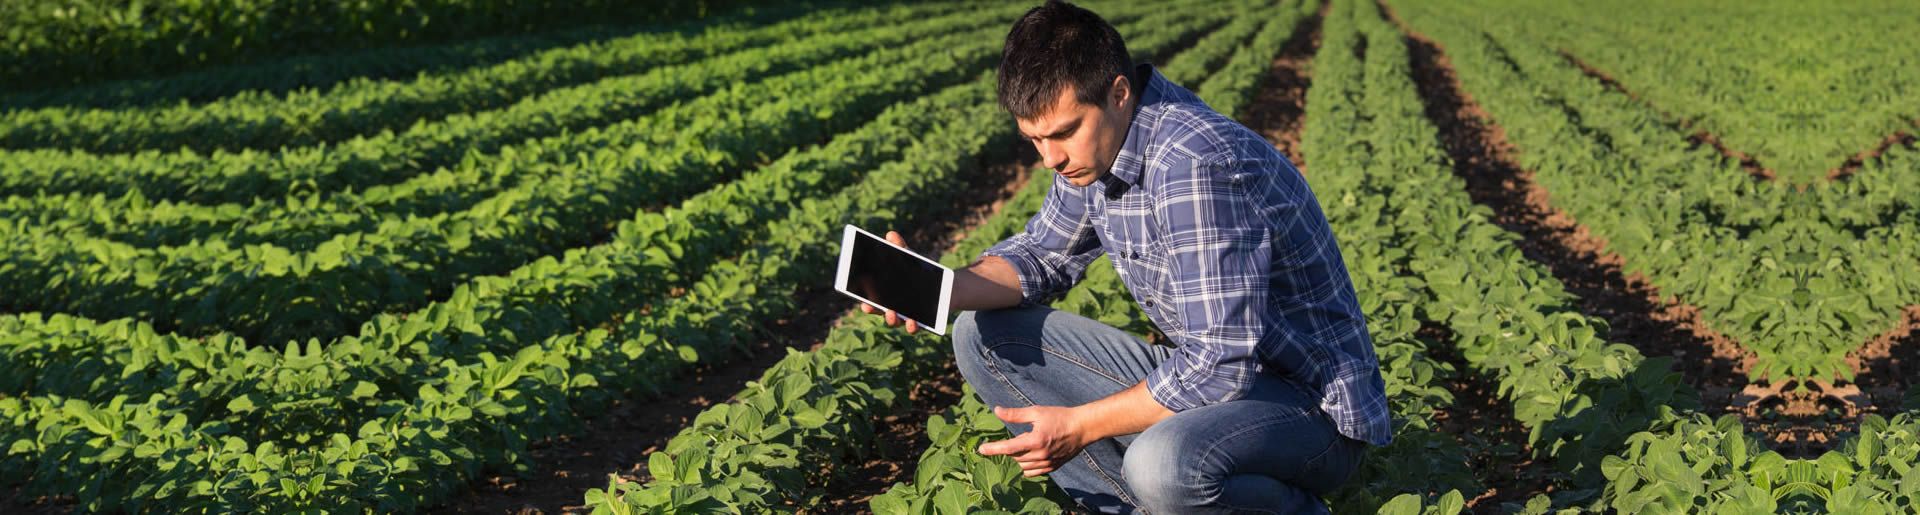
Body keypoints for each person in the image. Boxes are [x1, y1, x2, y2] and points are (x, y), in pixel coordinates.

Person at [860, 1, 1391, 512]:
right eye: (1034, 139)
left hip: (1310, 413)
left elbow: (1221, 368)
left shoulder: (1193, 165)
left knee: (1163, 464)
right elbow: (1041, 255)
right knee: (981, 334)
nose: (1051, 158)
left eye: (1064, 132)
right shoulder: (1097, 150)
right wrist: (933, 286)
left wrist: (1080, 426)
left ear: (1118, 93)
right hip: (1226, 386)